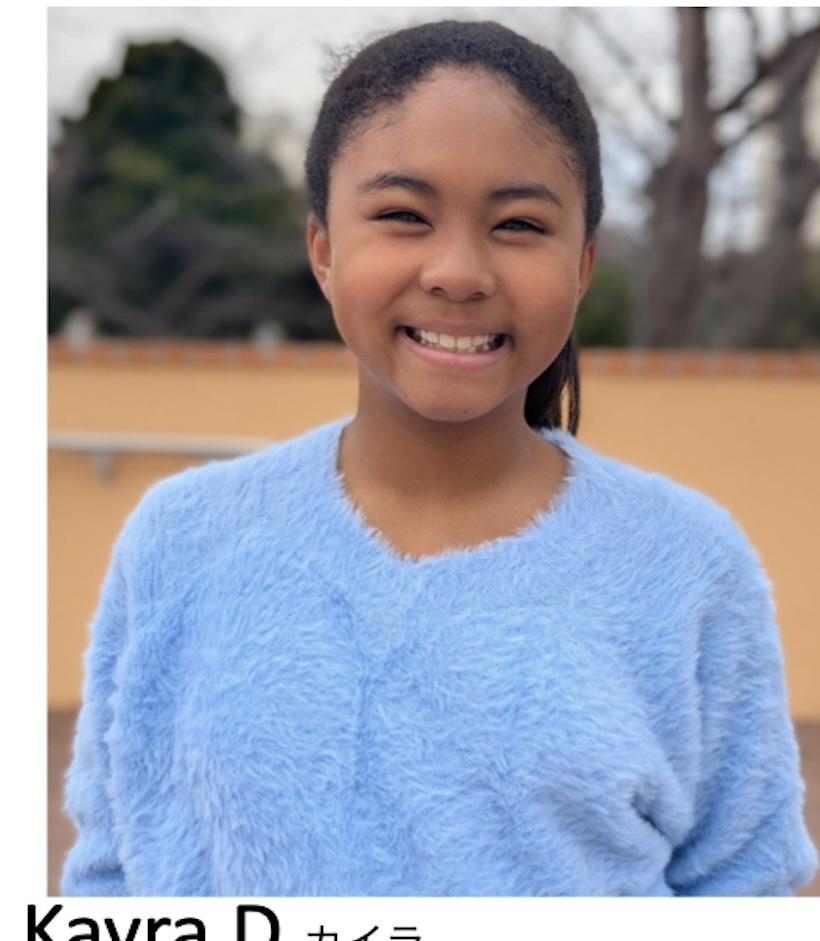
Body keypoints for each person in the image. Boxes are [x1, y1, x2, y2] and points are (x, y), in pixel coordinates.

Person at [61, 19, 817, 897]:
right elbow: (110, 872)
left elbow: (745, 888)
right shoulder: (181, 541)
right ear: (323, 249)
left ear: (582, 265)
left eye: (519, 223)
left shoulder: (687, 569)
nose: (458, 271)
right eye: (403, 216)